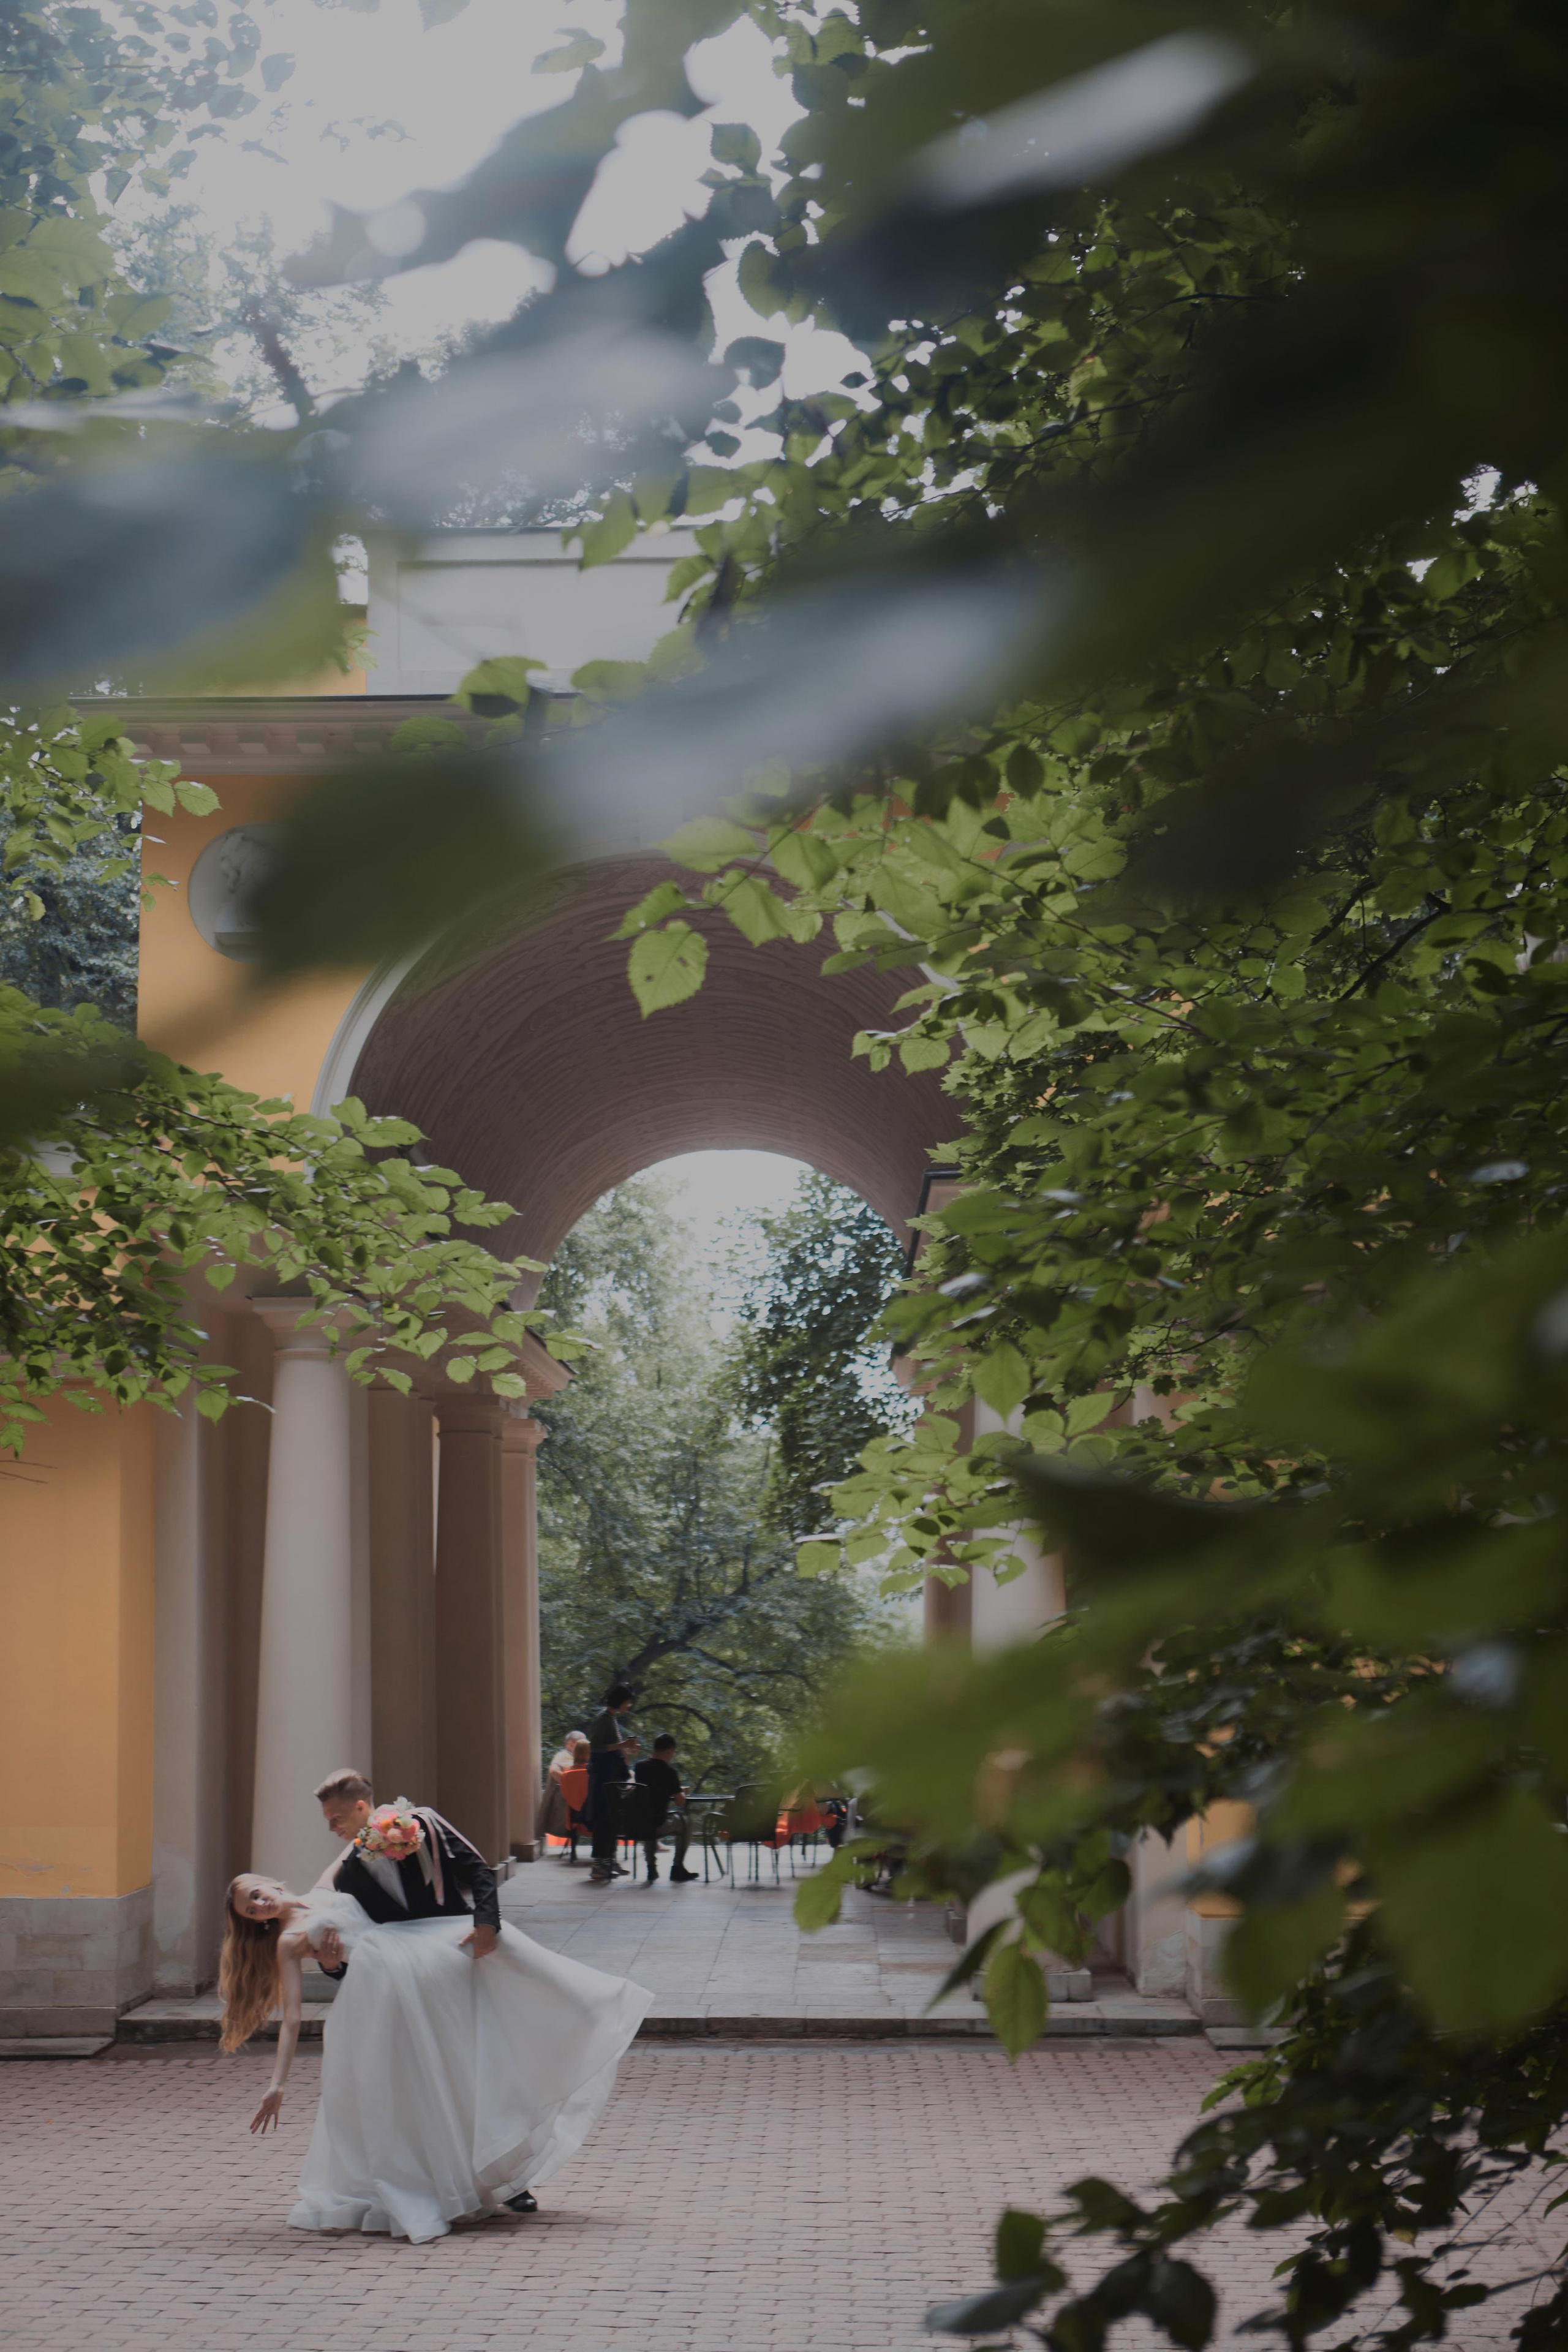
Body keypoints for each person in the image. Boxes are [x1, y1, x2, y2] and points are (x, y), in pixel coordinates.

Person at [220, 1814, 652, 2243]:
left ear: (273, 1883)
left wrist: (400, 1822)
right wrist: (278, 2084)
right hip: (382, 2003)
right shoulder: (288, 1940)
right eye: (250, 1909)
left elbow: (362, 1833)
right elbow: (293, 2017)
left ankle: (586, 2008)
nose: (260, 1905)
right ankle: (435, 2184)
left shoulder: (325, 1888)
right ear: (255, 1921)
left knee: (479, 2044)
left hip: (424, 1966)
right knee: (420, 2094)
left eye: (257, 1894)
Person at [585, 1684, 638, 1886]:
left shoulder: (610, 1719)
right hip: (603, 1779)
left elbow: (609, 1748)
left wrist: (625, 1750)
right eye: (628, 1701)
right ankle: (600, 1864)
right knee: (603, 1820)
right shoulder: (603, 1720)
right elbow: (597, 1747)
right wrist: (622, 1746)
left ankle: (609, 1861)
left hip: (611, 1778)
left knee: (611, 1820)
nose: (629, 1705)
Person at [632, 1734, 698, 1885]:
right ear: (669, 1751)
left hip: (638, 1822)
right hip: (659, 1823)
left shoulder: (640, 1767)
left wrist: (671, 1789)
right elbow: (680, 1802)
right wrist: (681, 1791)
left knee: (648, 1816)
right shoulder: (669, 1772)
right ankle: (678, 1867)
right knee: (686, 1821)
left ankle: (651, 1867)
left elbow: (650, 1790)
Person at [537, 1732, 589, 1854]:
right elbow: (554, 1771)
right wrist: (571, 1785)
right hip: (570, 1799)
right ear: (571, 1744)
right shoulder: (562, 1756)